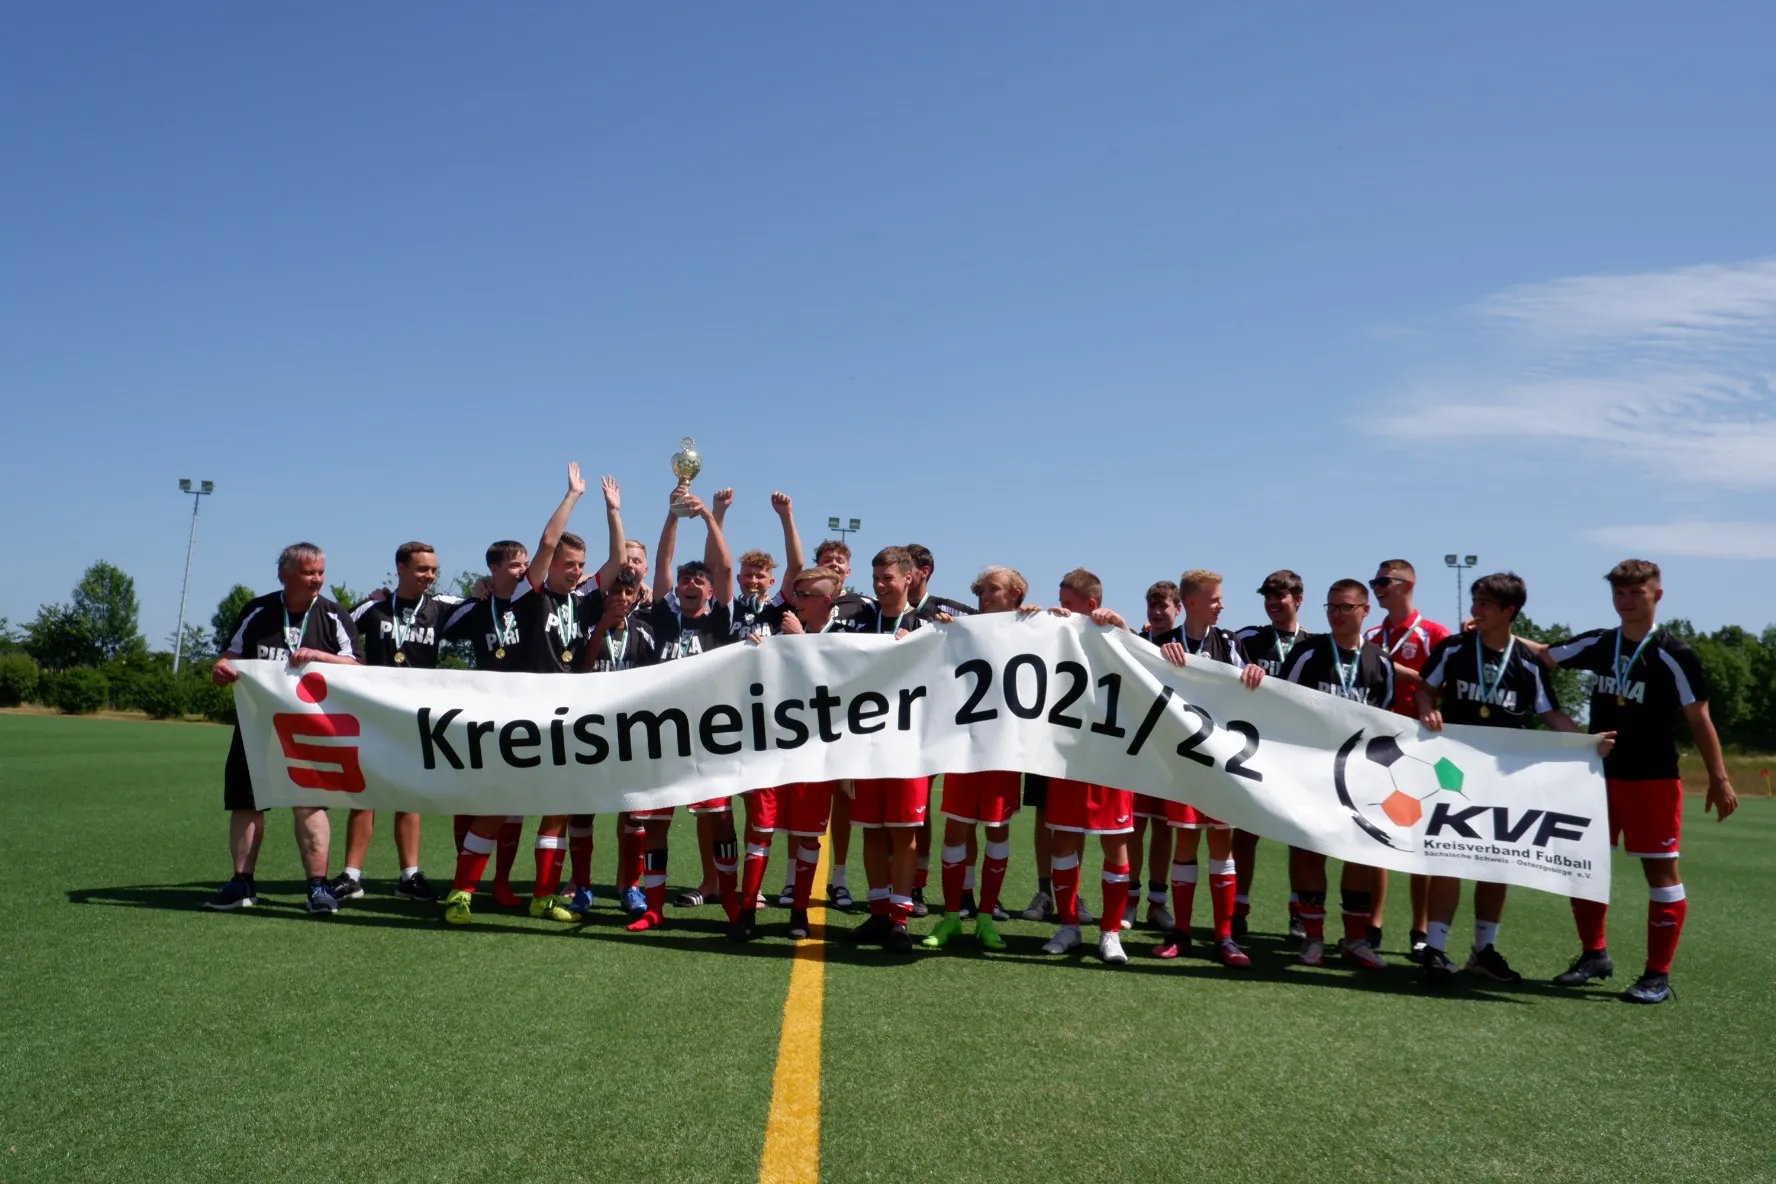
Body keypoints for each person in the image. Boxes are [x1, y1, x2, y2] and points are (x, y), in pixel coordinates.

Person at [1526, 559, 1738, 1004]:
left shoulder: (1674, 653)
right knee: (1584, 864)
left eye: (1635, 593)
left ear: (1656, 595)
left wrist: (1719, 778)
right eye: (1619, 593)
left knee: (1659, 871)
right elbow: (1543, 653)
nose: (1626, 601)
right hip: (1597, 774)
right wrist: (1495, 632)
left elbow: (1699, 718)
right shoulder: (1601, 642)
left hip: (1652, 777)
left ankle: (1657, 975)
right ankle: (1594, 955)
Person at [1416, 572, 1613, 986]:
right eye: (1475, 600)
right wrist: (1426, 708)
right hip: (1454, 771)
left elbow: (1551, 713)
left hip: (1507, 778)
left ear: (1510, 611)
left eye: (1485, 603)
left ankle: (1484, 951)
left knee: (1496, 862)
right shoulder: (1454, 648)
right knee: (1448, 857)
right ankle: (1435, 948)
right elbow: (1425, 688)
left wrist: (1586, 743)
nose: (1476, 609)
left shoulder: (1527, 663)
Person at [204, 542, 363, 915]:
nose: (317, 580)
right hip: (256, 727)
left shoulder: (332, 614)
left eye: (320, 572)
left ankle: (318, 888)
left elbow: (358, 667)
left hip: (310, 732)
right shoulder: (258, 611)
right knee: (246, 803)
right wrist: (222, 670)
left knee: (310, 805)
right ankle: (242, 883)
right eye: (309, 573)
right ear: (284, 575)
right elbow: (230, 656)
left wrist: (320, 657)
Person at [624, 484, 738, 933]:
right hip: (663, 738)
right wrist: (673, 514)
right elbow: (663, 563)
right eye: (685, 581)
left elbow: (724, 566)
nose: (690, 585)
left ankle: (732, 904)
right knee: (655, 825)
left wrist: (709, 517)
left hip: (710, 740)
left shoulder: (720, 620)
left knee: (721, 821)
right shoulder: (662, 618)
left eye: (698, 581)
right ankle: (654, 908)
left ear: (710, 591)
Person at [334, 541, 464, 906]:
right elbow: (333, 629)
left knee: (409, 797)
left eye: (434, 570)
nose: (430, 576)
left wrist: (484, 586)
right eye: (422, 569)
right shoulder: (374, 607)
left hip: (416, 718)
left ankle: (409, 877)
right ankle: (351, 876)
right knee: (364, 796)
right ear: (401, 568)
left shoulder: (441, 607)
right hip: (373, 715)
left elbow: (484, 606)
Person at [1150, 569, 1266, 968]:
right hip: (1181, 763)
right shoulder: (1163, 643)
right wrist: (1161, 659)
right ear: (1192, 603)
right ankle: (1181, 933)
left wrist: (1255, 674)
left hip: (1222, 762)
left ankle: (1224, 936)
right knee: (1185, 843)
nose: (1221, 605)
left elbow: (1250, 685)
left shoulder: (1229, 642)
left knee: (1221, 844)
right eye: (1214, 599)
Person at [736, 563, 857, 942]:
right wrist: (754, 652)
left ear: (826, 601)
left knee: (807, 836)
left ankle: (799, 910)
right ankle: (746, 910)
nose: (797, 602)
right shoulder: (779, 633)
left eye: (805, 596)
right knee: (760, 831)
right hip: (772, 751)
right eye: (796, 594)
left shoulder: (846, 638)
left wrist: (801, 641)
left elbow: (840, 687)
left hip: (815, 756)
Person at [1280, 578, 1396, 970]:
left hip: (1359, 777)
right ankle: (1313, 938)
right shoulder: (1307, 653)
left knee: (1358, 853)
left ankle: (1355, 940)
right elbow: (1279, 704)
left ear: (1365, 610)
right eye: (1331, 607)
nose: (1336, 614)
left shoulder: (1381, 662)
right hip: (1312, 772)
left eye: (1345, 607)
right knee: (1311, 851)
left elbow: (1387, 722)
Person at [922, 566, 1040, 951]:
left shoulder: (1033, 629)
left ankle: (987, 918)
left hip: (1003, 751)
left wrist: (1048, 618)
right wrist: (941, 634)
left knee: (997, 833)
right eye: (982, 590)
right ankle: (951, 917)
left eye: (994, 589)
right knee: (955, 833)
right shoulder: (963, 629)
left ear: (1016, 595)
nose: (984, 596)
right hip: (963, 747)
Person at [830, 546, 927, 953]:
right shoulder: (860, 624)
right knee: (871, 830)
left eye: (888, 578)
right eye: (876, 579)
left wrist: (916, 647)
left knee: (903, 833)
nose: (880, 585)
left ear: (908, 578)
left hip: (908, 748)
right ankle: (878, 911)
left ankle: (900, 919)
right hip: (866, 746)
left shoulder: (926, 627)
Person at [1041, 568, 1136, 965]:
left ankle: (1111, 933)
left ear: (1091, 604)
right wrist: (1032, 617)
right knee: (1063, 840)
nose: (1061, 608)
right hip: (1067, 755)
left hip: (1110, 758)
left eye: (1068, 603)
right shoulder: (1056, 631)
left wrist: (1122, 625)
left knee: (1115, 842)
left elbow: (1143, 666)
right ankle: (1068, 926)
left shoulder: (1114, 633)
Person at [1365, 559, 1451, 959]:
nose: (1377, 587)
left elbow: (1448, 684)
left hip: (1423, 752)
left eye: (1384, 581)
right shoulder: (1371, 634)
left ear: (1408, 584)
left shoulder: (1436, 634)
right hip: (1379, 749)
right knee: (1375, 836)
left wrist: (1420, 688)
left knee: (1423, 842)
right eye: (1374, 582)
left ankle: (1421, 929)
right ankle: (1372, 924)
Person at [1233, 569, 1310, 939]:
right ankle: (1238, 909)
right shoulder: (1248, 638)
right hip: (1255, 750)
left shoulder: (1315, 645)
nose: (1273, 603)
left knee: (1300, 835)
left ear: (1299, 599)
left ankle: (1299, 913)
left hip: (1298, 754)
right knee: (1246, 832)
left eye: (1280, 595)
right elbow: (1210, 660)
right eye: (1268, 596)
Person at [905, 543, 976, 918]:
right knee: (916, 810)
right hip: (907, 724)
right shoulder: (885, 611)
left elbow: (998, 633)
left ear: (924, 571)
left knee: (965, 812)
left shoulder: (954, 610)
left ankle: (967, 890)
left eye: (909, 568)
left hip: (953, 722)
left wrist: (1025, 614)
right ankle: (912, 886)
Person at [1125, 580, 1182, 934]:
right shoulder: (1137, 642)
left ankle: (1157, 903)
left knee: (1164, 827)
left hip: (1173, 753)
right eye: (1152, 605)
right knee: (1135, 826)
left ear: (1178, 608)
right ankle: (1129, 900)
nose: (1157, 612)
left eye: (1164, 606)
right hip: (1139, 748)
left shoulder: (1187, 646)